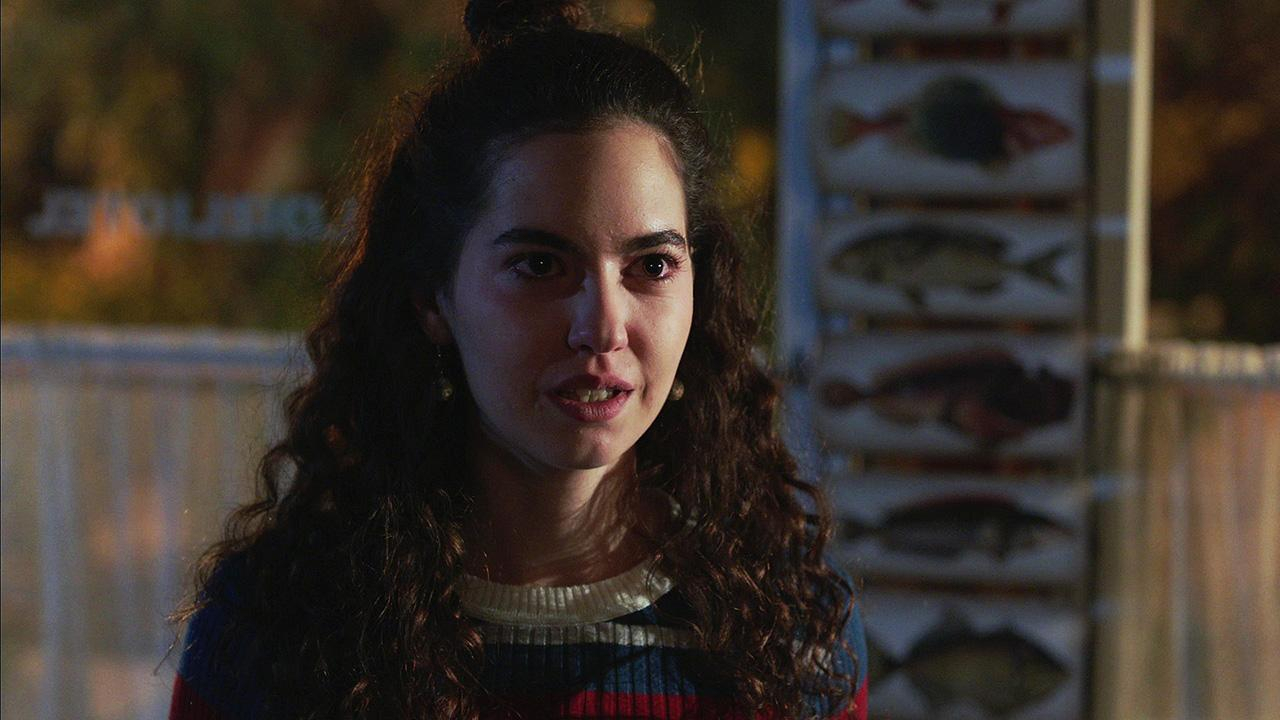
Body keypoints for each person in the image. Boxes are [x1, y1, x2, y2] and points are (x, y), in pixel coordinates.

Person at [168, 1, 868, 718]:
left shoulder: (784, 633)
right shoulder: (283, 630)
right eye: (540, 265)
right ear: (433, 298)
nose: (602, 327)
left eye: (652, 266)